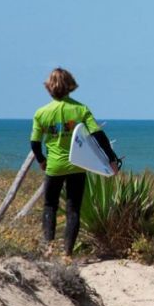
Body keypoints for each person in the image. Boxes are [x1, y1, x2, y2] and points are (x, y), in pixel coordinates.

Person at [30, 68, 120, 257]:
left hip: (54, 166)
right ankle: (67, 254)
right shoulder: (80, 109)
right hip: (77, 164)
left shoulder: (41, 113)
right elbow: (98, 135)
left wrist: (41, 161)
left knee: (50, 206)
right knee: (73, 209)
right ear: (70, 85)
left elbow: (35, 142)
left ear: (49, 87)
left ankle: (48, 247)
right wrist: (112, 159)